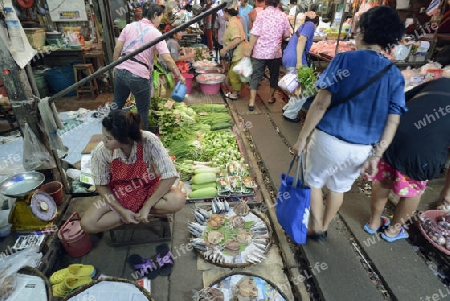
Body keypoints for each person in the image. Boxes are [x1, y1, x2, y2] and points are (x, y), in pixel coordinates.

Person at [292, 6, 407, 240]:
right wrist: (376, 155)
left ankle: (316, 227)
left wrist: (302, 136)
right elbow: (392, 122)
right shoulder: (395, 75)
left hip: (329, 140)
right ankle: (324, 225)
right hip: (362, 150)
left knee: (313, 181)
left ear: (364, 31)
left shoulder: (345, 60)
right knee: (339, 188)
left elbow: (321, 104)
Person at [365, 78, 450, 242]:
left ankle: (374, 222)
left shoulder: (441, 81)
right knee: (413, 192)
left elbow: (404, 98)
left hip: (394, 135)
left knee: (384, 181)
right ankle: (393, 231)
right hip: (422, 153)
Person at [80, 110, 186, 234]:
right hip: (120, 193)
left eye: (109, 138)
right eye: (103, 135)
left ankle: (144, 211)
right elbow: (101, 186)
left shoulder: (149, 140)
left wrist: (148, 205)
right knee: (87, 224)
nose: (103, 140)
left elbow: (170, 175)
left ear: (125, 139)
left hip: (148, 187)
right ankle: (131, 215)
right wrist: (121, 210)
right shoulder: (101, 152)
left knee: (177, 200)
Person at [112, 4, 185, 130]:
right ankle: (142, 141)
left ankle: (112, 132)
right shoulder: (155, 33)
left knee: (116, 105)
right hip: (139, 76)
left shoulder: (129, 27)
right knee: (142, 112)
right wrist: (179, 75)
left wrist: (114, 66)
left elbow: (118, 48)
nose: (160, 22)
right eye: (160, 18)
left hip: (121, 70)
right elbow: (167, 58)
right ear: (155, 15)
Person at [244, 0, 291, 111]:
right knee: (273, 76)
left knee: (256, 76)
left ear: (266, 3)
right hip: (275, 53)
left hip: (260, 52)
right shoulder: (283, 15)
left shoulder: (261, 15)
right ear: (277, 3)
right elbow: (287, 34)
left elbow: (254, 34)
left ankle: (251, 102)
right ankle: (271, 97)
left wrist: (249, 50)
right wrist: (278, 38)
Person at [219, 8, 248, 100]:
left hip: (239, 51)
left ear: (227, 13)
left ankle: (234, 94)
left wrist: (225, 49)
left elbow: (237, 39)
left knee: (233, 73)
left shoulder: (232, 23)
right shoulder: (235, 20)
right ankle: (237, 91)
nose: (223, 15)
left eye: (224, 13)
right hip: (241, 50)